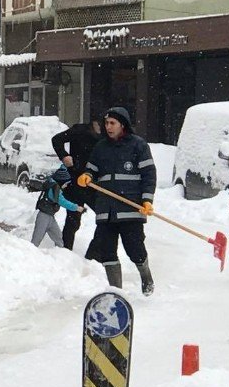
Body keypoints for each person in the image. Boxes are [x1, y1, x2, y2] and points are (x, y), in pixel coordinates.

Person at [77, 107, 157, 295]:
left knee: (134, 249)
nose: (108, 127)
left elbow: (149, 174)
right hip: (106, 209)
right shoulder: (101, 147)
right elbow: (92, 169)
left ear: (123, 124)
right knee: (107, 252)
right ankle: (116, 291)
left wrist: (147, 199)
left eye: (112, 123)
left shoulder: (138, 145)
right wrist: (87, 175)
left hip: (131, 207)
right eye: (106, 123)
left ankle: (146, 276)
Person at [51, 118, 102, 254]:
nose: (105, 127)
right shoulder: (79, 130)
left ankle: (93, 256)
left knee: (105, 219)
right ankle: (65, 253)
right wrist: (64, 156)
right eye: (102, 123)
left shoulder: (106, 138)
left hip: (95, 186)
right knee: (73, 222)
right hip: (76, 183)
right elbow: (56, 140)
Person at [31, 165, 85, 247]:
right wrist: (77, 208)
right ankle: (29, 255)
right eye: (65, 183)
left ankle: (59, 256)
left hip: (50, 216)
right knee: (36, 241)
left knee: (59, 238)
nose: (66, 185)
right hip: (44, 216)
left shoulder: (53, 185)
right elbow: (62, 201)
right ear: (61, 181)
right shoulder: (54, 189)